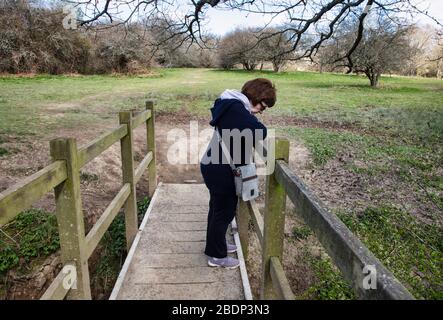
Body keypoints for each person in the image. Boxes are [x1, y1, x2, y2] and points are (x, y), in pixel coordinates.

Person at [200, 78, 277, 269]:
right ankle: (216, 256)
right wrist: (254, 119)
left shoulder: (230, 104)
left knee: (217, 209)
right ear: (256, 96)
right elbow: (261, 132)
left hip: (215, 165)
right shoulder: (236, 109)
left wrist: (250, 117)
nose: (261, 110)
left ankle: (216, 244)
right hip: (220, 169)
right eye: (263, 106)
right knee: (223, 212)